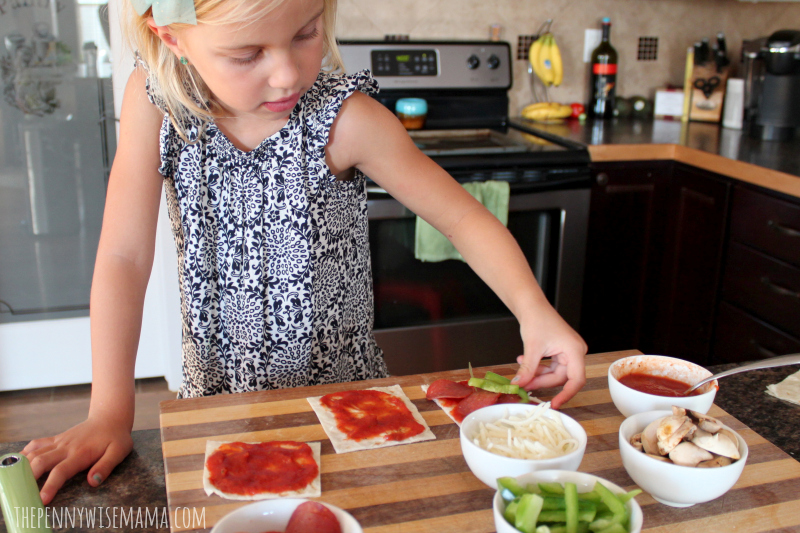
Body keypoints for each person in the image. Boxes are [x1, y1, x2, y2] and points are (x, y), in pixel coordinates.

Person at [22, 0, 587, 505]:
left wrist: (535, 311)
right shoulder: (157, 104)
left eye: (306, 31)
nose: (288, 72)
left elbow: (462, 217)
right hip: (216, 405)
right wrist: (110, 412)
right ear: (173, 36)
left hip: (346, 412)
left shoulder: (345, 119)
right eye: (246, 54)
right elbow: (123, 255)